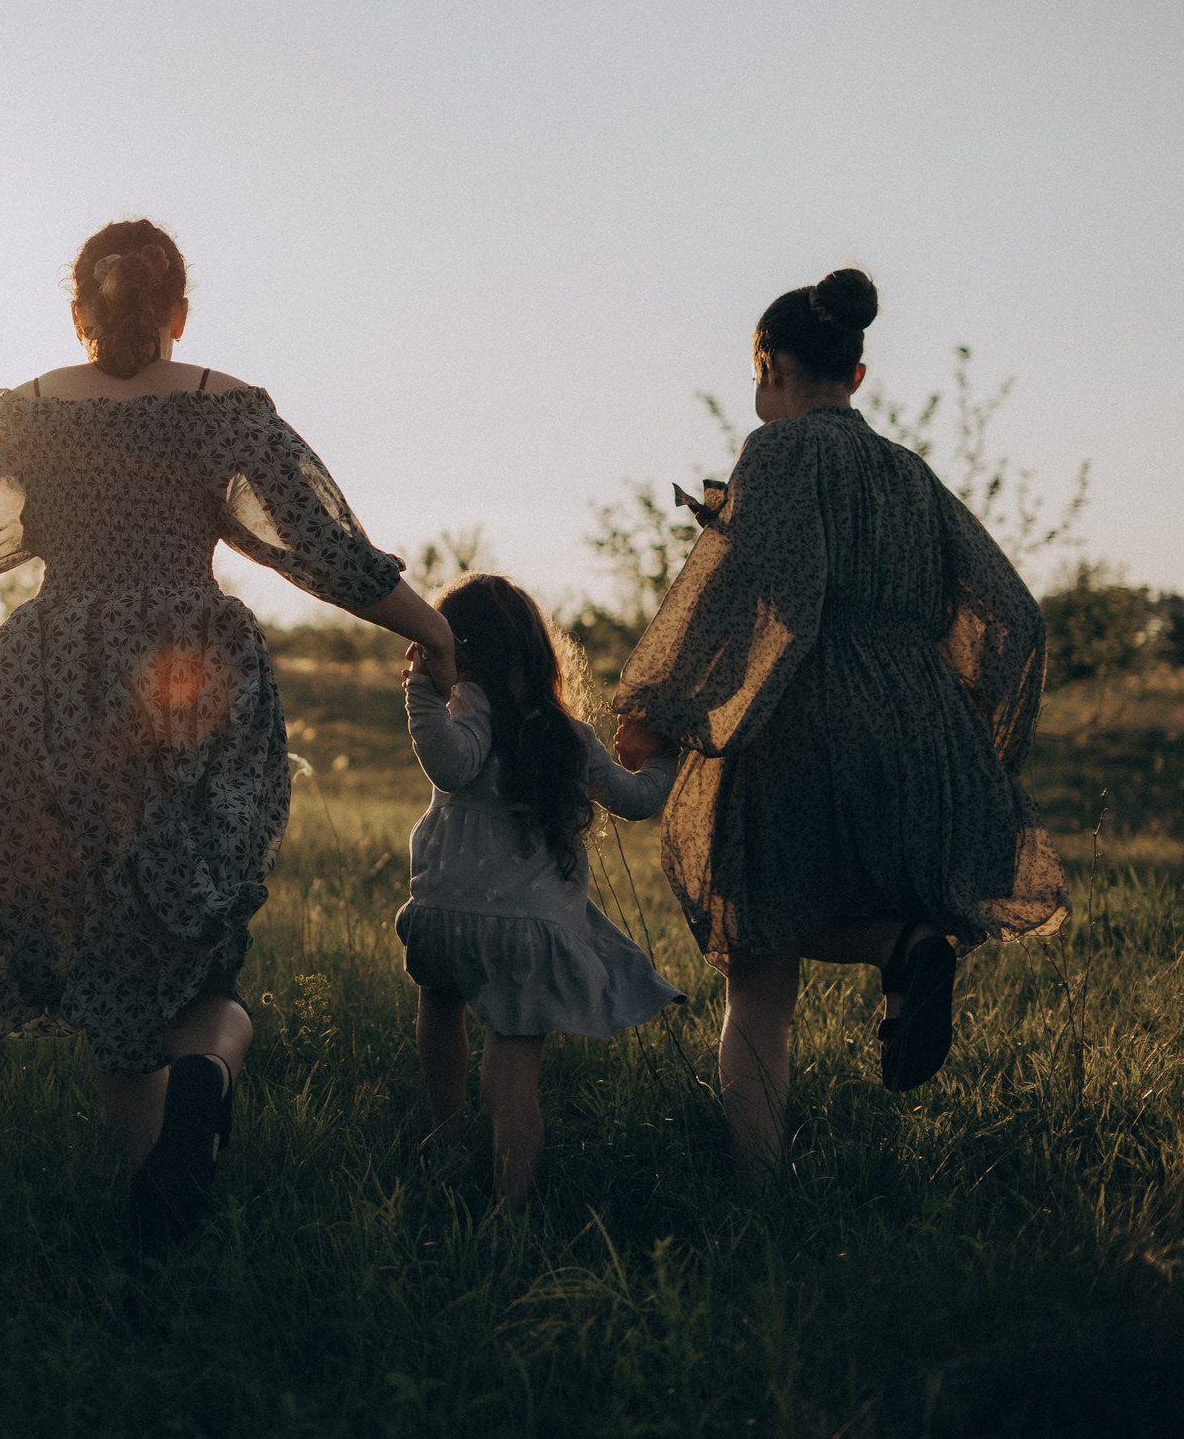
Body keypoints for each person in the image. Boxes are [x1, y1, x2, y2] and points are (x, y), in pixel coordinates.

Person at [0, 219, 458, 1256]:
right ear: (178, 315)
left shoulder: (16, 418)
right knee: (187, 947)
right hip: (186, 686)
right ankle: (199, 1090)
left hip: (41, 694)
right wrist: (433, 632)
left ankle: (157, 1199)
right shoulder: (229, 413)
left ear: (77, 315)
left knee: (100, 952)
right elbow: (330, 554)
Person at [611, 267, 1064, 1173]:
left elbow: (731, 596)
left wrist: (656, 711)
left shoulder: (776, 453)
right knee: (837, 905)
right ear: (857, 376)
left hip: (804, 722)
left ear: (768, 367)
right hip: (919, 724)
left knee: (760, 965)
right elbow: (1016, 612)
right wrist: (965, 732)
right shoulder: (909, 474)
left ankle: (759, 1200)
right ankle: (906, 945)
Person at [398, 574, 683, 1210]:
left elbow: (449, 765)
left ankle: (446, 1130)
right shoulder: (568, 736)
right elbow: (637, 801)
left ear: (455, 651)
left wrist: (422, 687)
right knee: (512, 1072)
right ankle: (509, 1212)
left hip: (442, 914)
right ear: (537, 650)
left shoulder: (466, 710)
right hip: (525, 933)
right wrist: (666, 755)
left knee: (439, 1008)